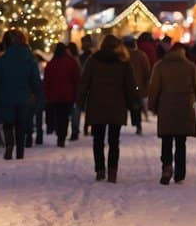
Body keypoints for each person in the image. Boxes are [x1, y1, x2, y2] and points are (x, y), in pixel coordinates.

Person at [78, 34, 139, 182]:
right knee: (114, 141)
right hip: (117, 106)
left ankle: (100, 169)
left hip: (97, 104)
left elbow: (84, 82)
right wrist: (133, 104)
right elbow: (130, 86)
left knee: (98, 140)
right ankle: (112, 171)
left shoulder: (93, 61)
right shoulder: (123, 63)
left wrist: (80, 101)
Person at [147, 41, 196, 185]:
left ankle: (166, 167)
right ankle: (180, 173)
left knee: (166, 140)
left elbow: (154, 88)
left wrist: (152, 105)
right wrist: (193, 98)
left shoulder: (160, 66)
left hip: (166, 107)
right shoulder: (190, 66)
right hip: (184, 107)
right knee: (181, 142)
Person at [0, 29, 43, 160]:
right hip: (24, 96)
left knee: (8, 123)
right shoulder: (30, 59)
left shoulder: (2, 60)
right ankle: (20, 150)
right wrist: (37, 94)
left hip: (5, 97)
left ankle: (9, 145)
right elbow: (35, 79)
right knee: (21, 124)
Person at [43, 43, 80, 147]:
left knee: (57, 116)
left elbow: (47, 81)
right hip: (68, 95)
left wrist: (47, 94)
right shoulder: (71, 63)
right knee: (64, 117)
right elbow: (76, 79)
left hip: (54, 95)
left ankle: (59, 134)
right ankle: (62, 137)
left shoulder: (51, 64)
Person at [124, 36, 151, 135]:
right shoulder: (141, 55)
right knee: (136, 106)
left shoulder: (123, 56)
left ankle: (118, 124)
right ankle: (138, 124)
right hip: (138, 85)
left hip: (125, 86)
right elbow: (147, 71)